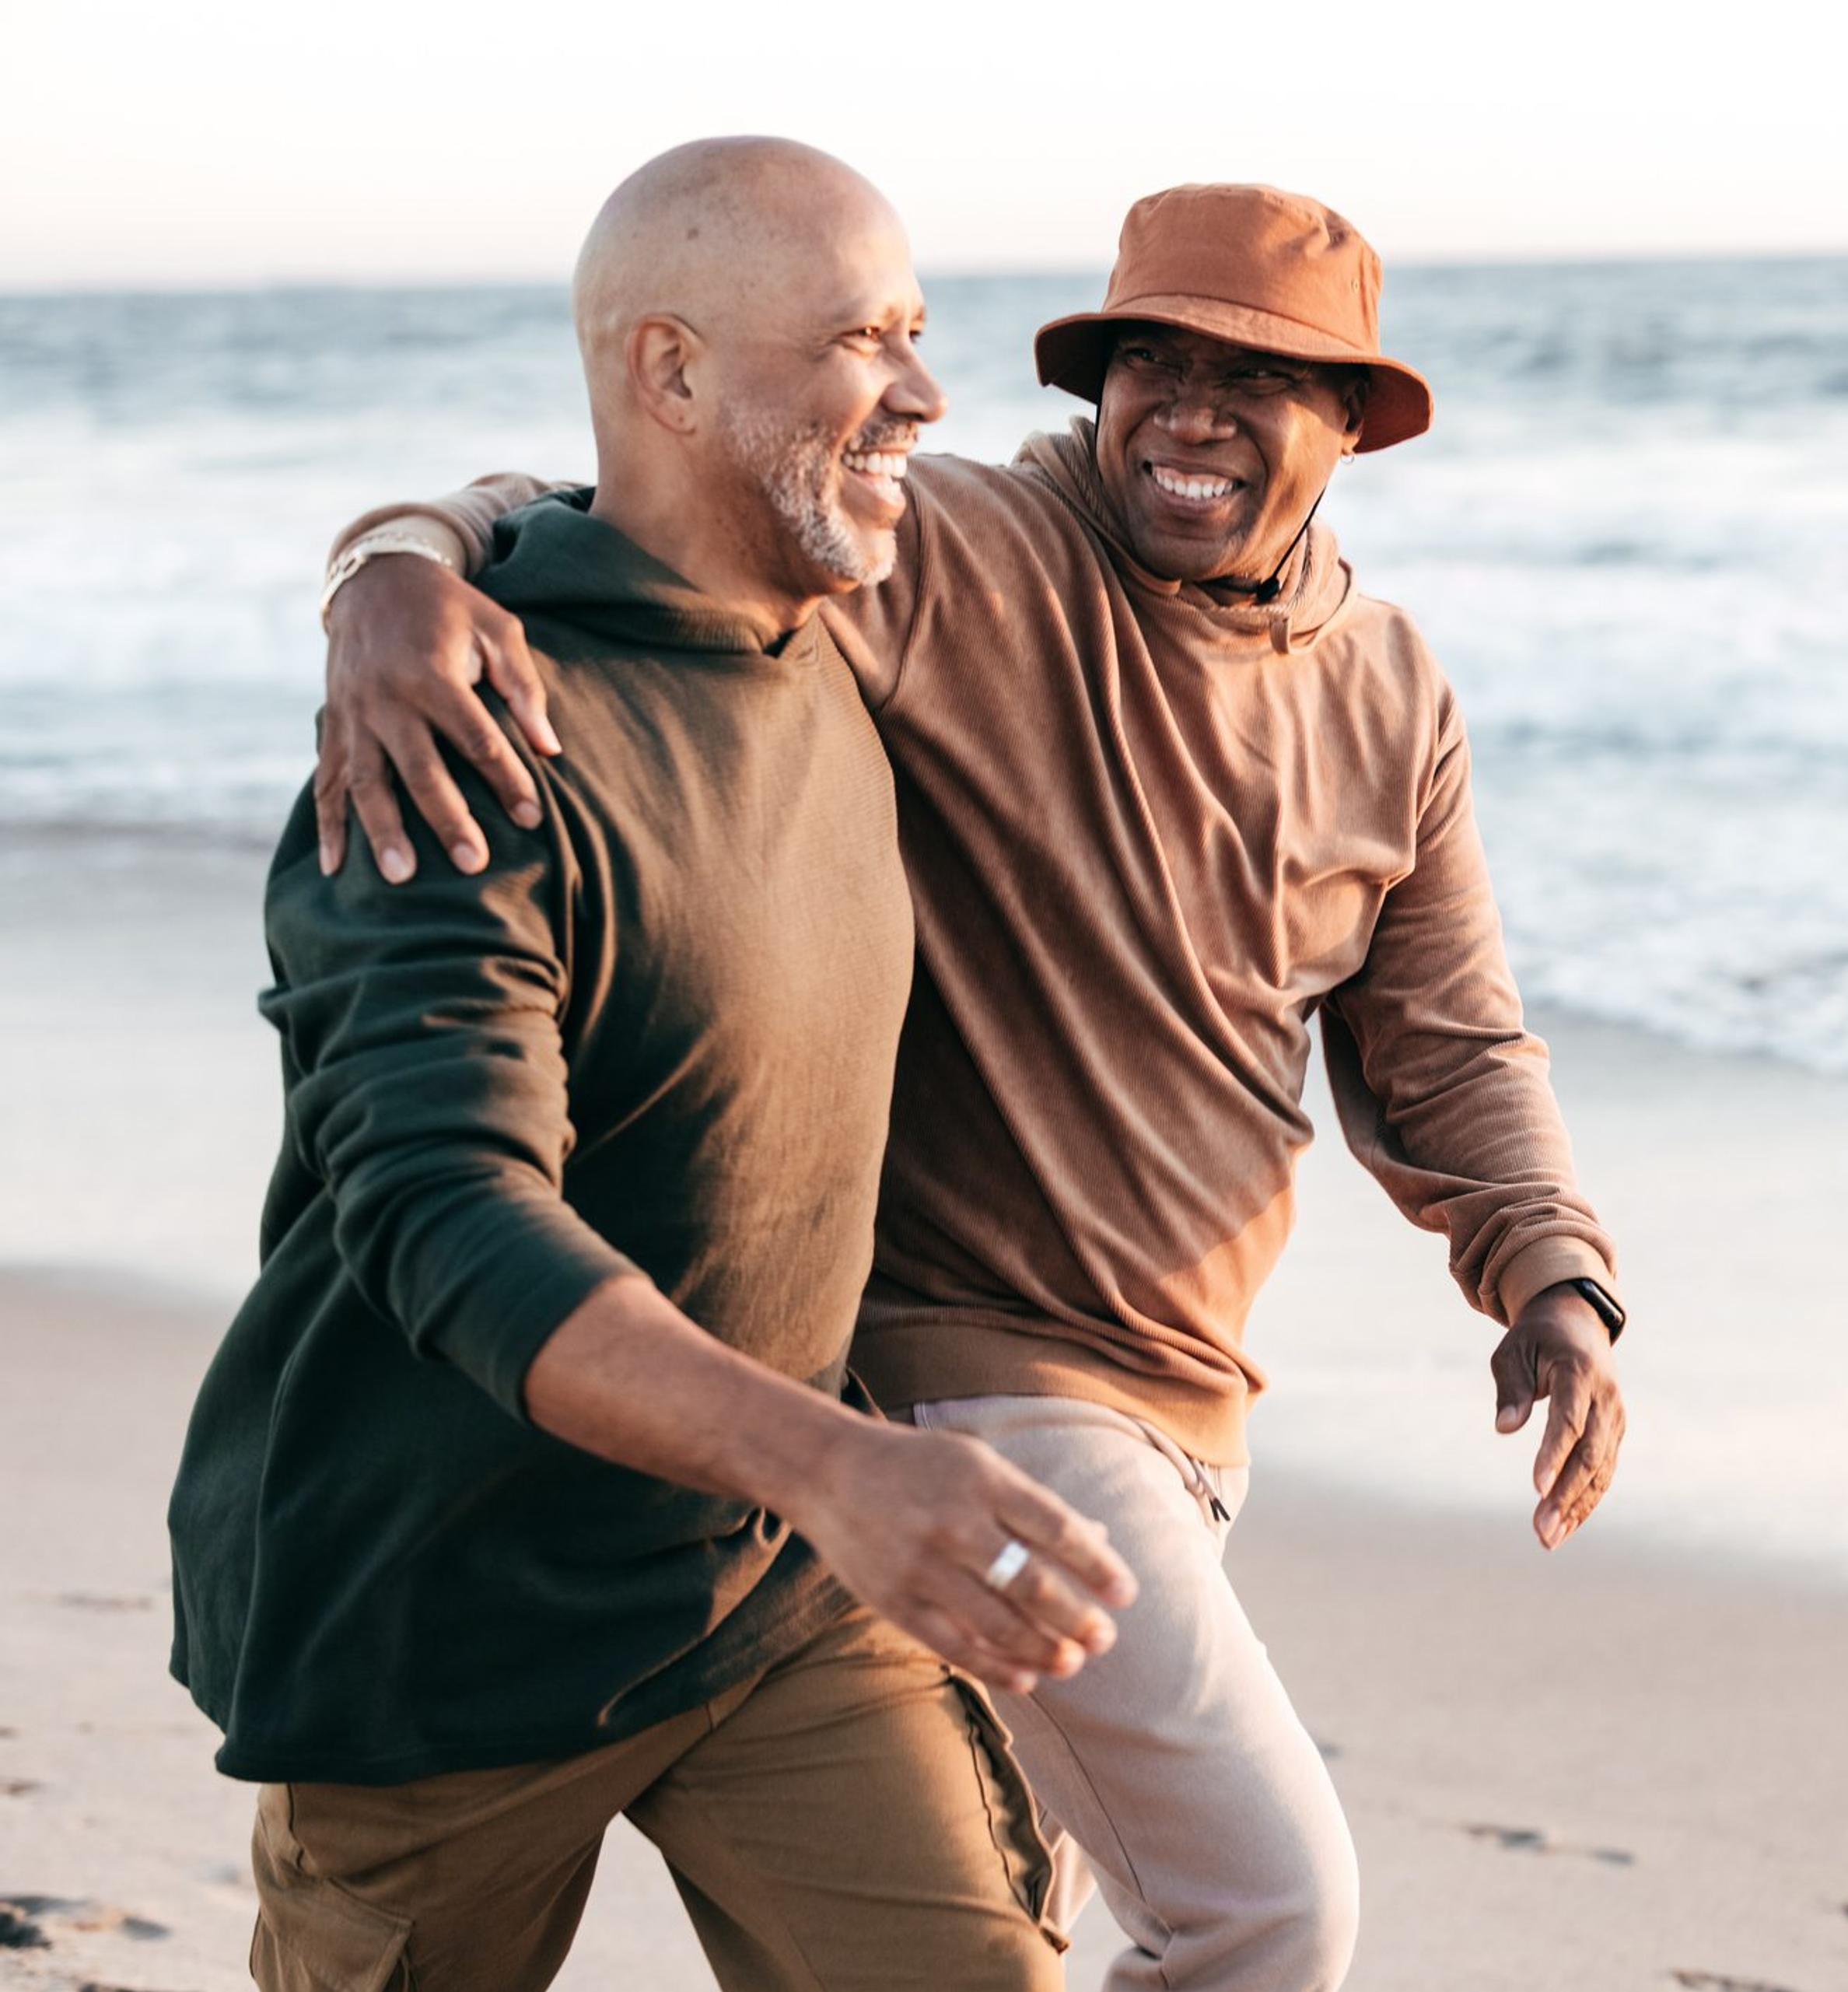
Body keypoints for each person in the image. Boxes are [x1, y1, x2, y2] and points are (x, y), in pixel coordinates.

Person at [312, 181, 1630, 1992]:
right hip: (971, 1380)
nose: (1188, 410)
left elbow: (1449, 1036)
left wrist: (1549, 1273)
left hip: (1195, 1403)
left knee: (1018, 1927)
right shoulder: (967, 555)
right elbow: (644, 502)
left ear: (1352, 425)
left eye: (1257, 379)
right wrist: (394, 566)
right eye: (1149, 360)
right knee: (1265, 1910)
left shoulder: (1391, 687)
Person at [170, 137, 1136, 1992]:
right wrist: (843, 1469)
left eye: (922, 332)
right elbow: (443, 1210)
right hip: (441, 1630)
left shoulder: (844, 625)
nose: (927, 395)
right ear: (673, 372)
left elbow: (544, 503)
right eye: (868, 339)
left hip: (769, 1600)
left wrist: (400, 542)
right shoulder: (457, 741)